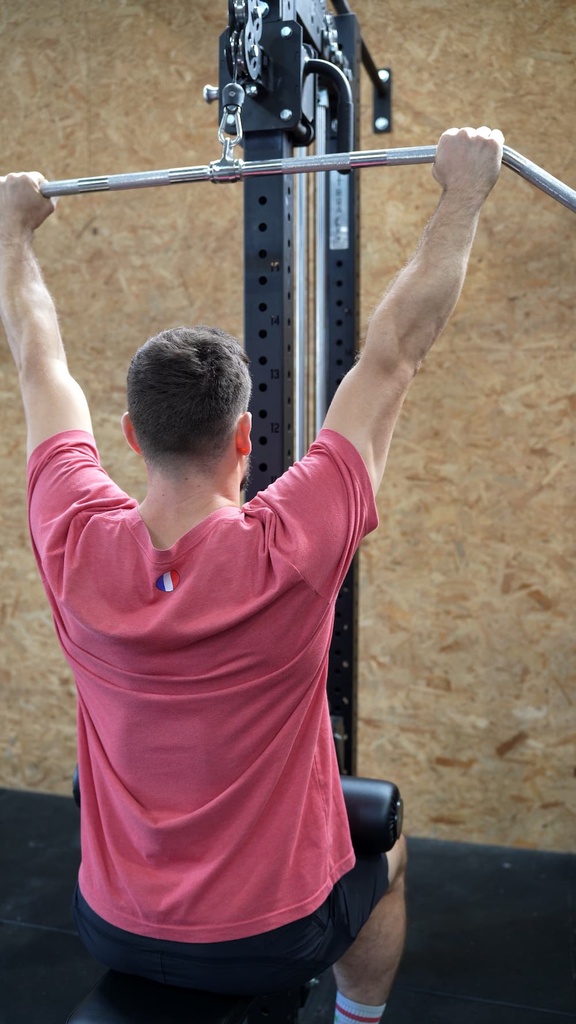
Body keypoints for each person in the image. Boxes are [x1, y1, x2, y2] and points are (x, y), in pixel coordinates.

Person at [0, 125, 503, 1023]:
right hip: (267, 937)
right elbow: (394, 351)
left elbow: (38, 360)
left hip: (108, 919)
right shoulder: (291, 550)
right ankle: (357, 1019)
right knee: (385, 860)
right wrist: (462, 192)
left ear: (129, 435)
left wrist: (11, 233)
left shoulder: (71, 534)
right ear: (244, 438)